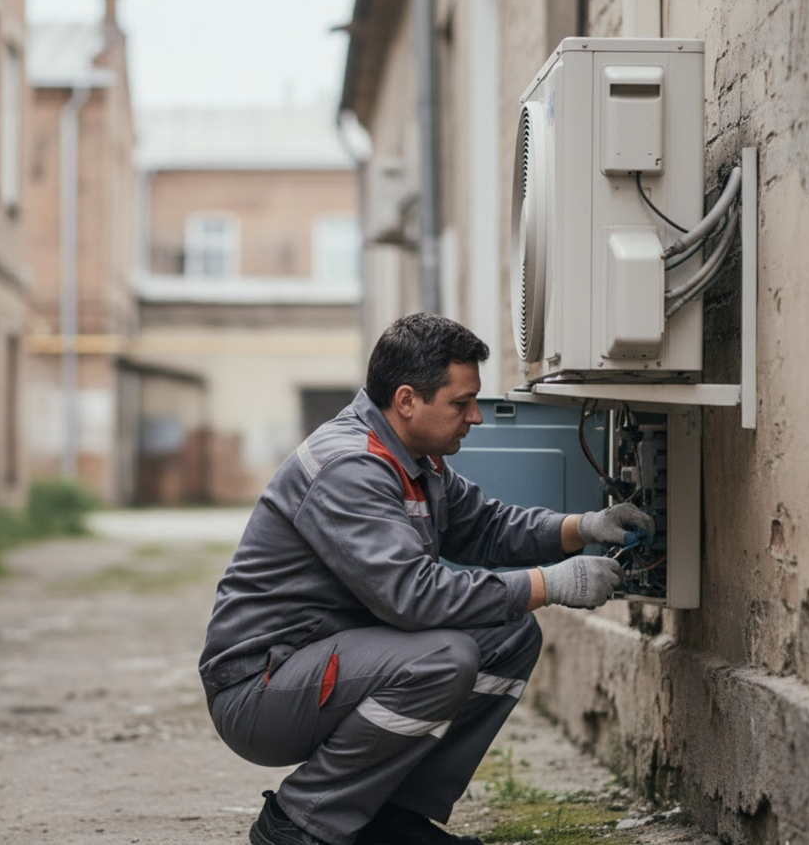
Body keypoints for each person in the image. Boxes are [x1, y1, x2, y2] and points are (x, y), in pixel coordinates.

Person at [199, 313, 653, 845]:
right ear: (408, 400)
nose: (476, 417)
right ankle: (299, 821)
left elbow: (486, 526)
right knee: (443, 659)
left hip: (325, 663)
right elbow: (413, 596)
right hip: (262, 689)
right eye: (461, 403)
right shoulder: (350, 465)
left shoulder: (414, 458)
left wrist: (583, 527)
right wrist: (551, 585)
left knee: (508, 637)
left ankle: (388, 815)